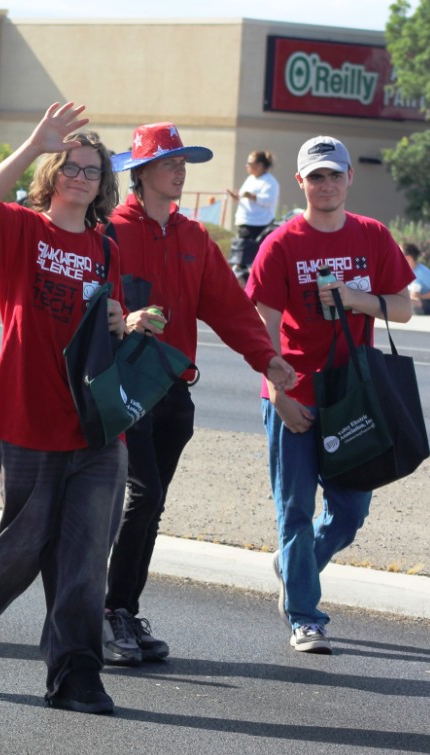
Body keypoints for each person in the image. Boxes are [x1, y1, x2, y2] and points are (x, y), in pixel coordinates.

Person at [0, 102, 128, 714]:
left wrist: (122, 320)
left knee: (86, 557)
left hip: (95, 425)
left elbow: (109, 323)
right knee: (23, 542)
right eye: (69, 166)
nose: (80, 177)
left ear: (103, 183)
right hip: (27, 413)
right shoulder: (23, 229)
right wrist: (35, 143)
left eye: (91, 170)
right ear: (51, 173)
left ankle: (76, 674)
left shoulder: (106, 249)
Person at [102, 122, 296, 666]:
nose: (180, 171)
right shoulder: (109, 231)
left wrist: (267, 358)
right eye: (169, 162)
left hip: (173, 392)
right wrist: (124, 318)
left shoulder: (194, 237)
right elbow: (90, 303)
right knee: (142, 496)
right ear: (141, 173)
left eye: (183, 162)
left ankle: (123, 610)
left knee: (153, 504)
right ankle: (107, 612)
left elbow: (231, 307)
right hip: (123, 388)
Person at [246, 135, 413, 654]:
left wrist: (354, 298)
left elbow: (403, 308)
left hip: (353, 398)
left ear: (349, 179)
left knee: (350, 512)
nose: (326, 184)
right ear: (300, 181)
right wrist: (277, 393)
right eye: (316, 176)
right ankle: (305, 616)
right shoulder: (280, 244)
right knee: (295, 510)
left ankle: (293, 566)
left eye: (334, 174)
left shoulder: (372, 235)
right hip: (295, 393)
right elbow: (262, 326)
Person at [226, 150, 280, 288]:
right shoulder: (250, 179)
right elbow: (243, 198)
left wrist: (252, 196)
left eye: (250, 163)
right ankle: (244, 286)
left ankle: (252, 287)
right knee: (239, 261)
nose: (247, 166)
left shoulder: (270, 182)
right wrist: (236, 196)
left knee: (251, 261)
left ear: (260, 165)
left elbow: (269, 200)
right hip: (245, 224)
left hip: (259, 225)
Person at [402, 242, 430, 315]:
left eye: (399, 255)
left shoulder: (423, 272)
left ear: (408, 258)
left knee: (406, 300)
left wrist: (421, 296)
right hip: (414, 302)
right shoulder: (404, 271)